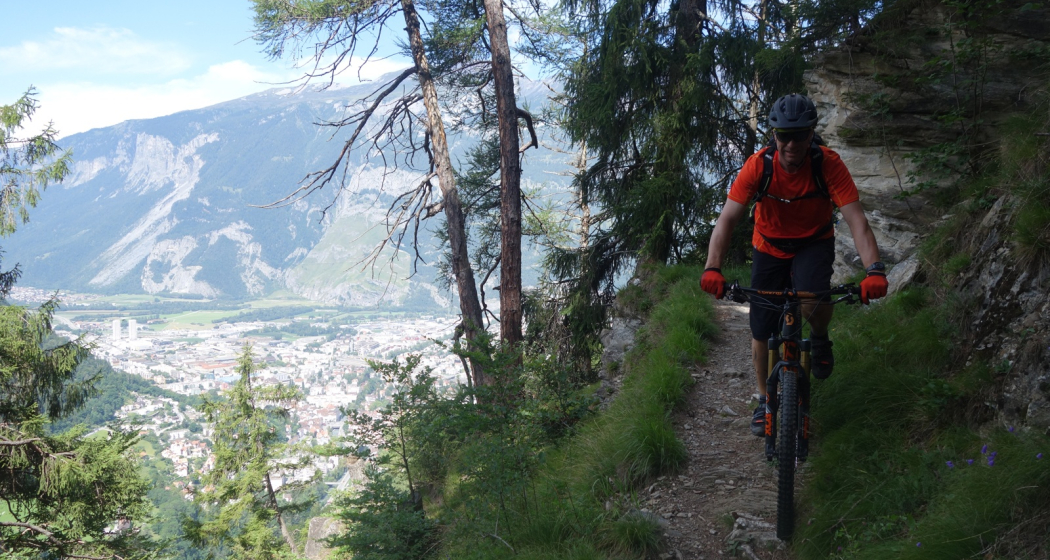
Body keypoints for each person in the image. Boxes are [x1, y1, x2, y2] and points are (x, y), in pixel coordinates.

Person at [699, 93, 888, 437]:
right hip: (769, 245)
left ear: (811, 133)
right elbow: (727, 219)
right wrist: (713, 267)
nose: (790, 143)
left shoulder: (828, 164)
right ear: (773, 135)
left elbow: (857, 220)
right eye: (783, 135)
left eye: (799, 135)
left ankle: (818, 338)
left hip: (813, 242)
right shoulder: (760, 165)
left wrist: (874, 269)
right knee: (760, 328)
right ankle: (763, 400)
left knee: (812, 297)